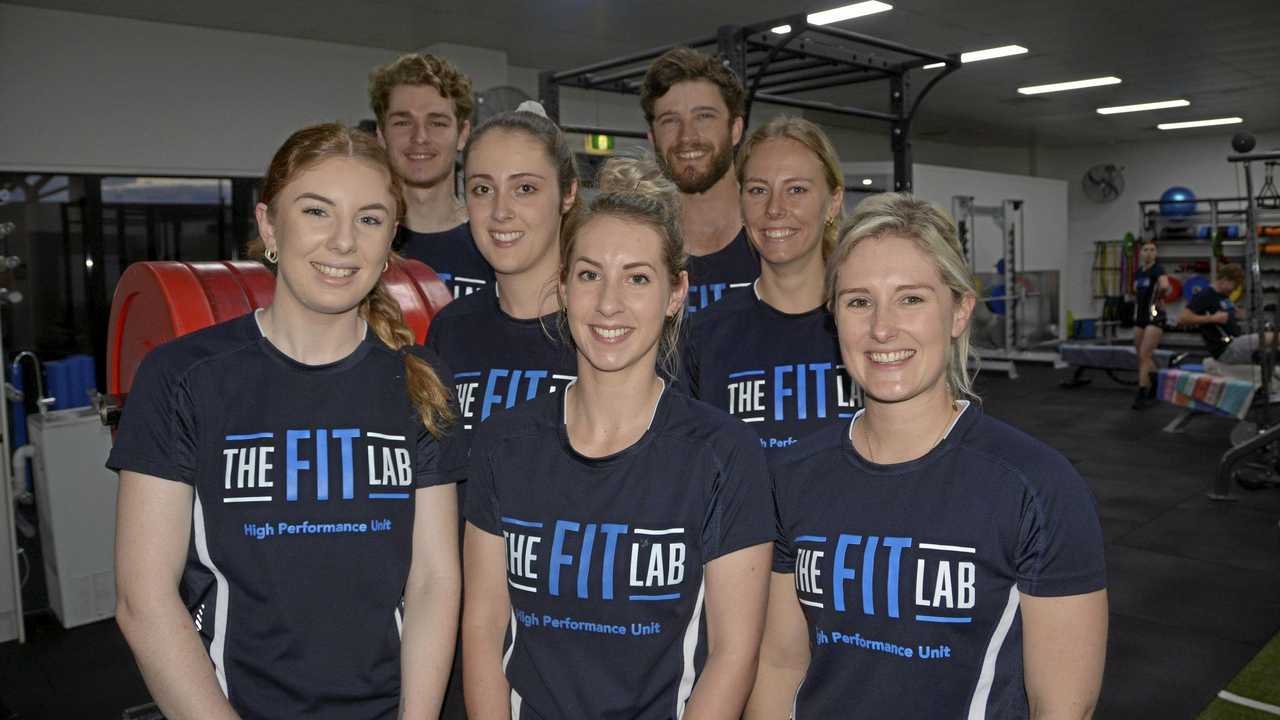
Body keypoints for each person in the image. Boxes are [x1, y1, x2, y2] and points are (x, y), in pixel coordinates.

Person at [109, 124, 462, 719]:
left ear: (391, 240)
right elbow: (143, 601)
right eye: (317, 211)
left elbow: (432, 582)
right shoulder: (183, 377)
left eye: (370, 219)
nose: (344, 242)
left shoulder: (418, 379)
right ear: (270, 225)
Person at [747, 193, 1108, 719]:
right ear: (834, 316)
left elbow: (1063, 709)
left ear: (959, 310)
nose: (881, 328)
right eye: (858, 301)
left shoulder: (1035, 486)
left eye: (910, 299)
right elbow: (781, 666)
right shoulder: (793, 474)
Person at [461, 157, 773, 719]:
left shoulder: (724, 455)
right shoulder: (501, 445)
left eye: (637, 277)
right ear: (562, 285)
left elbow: (733, 655)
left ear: (676, 293)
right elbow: (483, 630)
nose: (609, 304)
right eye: (589, 275)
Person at [684, 116, 862, 450]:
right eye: (758, 190)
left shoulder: (870, 326)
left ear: (833, 202)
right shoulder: (704, 335)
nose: (774, 209)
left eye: (796, 190)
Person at [425, 103, 580, 452]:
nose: (501, 212)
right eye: (483, 189)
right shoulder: (451, 331)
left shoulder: (607, 326)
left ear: (567, 193)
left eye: (525, 188)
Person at [642, 47, 757, 313]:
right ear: (652, 137)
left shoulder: (777, 237)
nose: (687, 137)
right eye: (670, 121)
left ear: (735, 129)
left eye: (704, 117)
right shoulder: (640, 247)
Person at [370, 52, 495, 298]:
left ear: (462, 134)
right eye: (403, 123)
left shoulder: (495, 240)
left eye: (437, 123)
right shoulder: (359, 240)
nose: (420, 137)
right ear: (381, 135)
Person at [1178, 263, 1261, 365]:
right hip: (1226, 349)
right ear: (1225, 279)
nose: (1234, 290)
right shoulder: (1205, 294)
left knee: (1270, 352)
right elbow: (1183, 318)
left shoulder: (1223, 295)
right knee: (1271, 338)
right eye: (1234, 286)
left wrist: (1237, 314)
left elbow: (1226, 314)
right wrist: (1213, 318)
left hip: (1236, 341)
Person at [1132, 240, 1170, 408]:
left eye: (1152, 250)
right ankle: (1155, 382)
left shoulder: (1158, 270)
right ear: (1141, 254)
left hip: (1155, 317)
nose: (1148, 252)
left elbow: (1165, 285)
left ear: (1156, 253)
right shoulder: (1139, 272)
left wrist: (1160, 295)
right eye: (1145, 250)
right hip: (1140, 317)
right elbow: (1135, 292)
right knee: (1141, 354)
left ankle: (1142, 393)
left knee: (1145, 355)